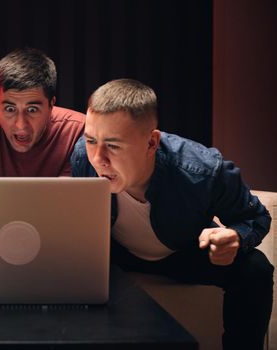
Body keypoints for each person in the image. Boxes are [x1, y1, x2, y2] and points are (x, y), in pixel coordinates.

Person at [71, 78, 273, 350]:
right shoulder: (83, 156)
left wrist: (235, 236)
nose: (99, 158)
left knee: (255, 268)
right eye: (92, 140)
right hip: (115, 254)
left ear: (152, 143)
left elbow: (256, 217)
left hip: (183, 252)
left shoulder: (203, 170)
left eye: (114, 145)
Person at [0, 47, 84, 176]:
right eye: (10, 109)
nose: (21, 124)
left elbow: (66, 195)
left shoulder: (77, 130)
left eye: (32, 110)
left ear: (51, 105)